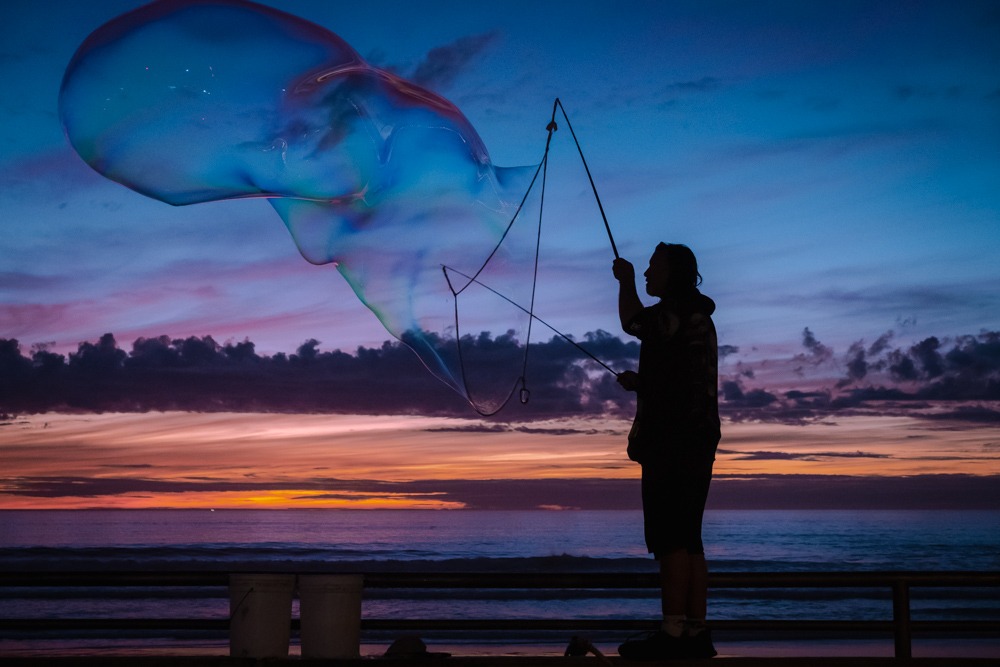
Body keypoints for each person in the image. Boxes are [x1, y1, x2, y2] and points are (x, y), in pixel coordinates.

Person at [612, 242, 721, 660]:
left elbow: (632, 322)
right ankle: (696, 631)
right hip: (698, 439)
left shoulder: (673, 314)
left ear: (672, 273)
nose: (644, 274)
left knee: (671, 539)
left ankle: (673, 635)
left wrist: (622, 283)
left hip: (673, 442)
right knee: (690, 540)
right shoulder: (697, 318)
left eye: (652, 267)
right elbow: (682, 379)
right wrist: (645, 383)